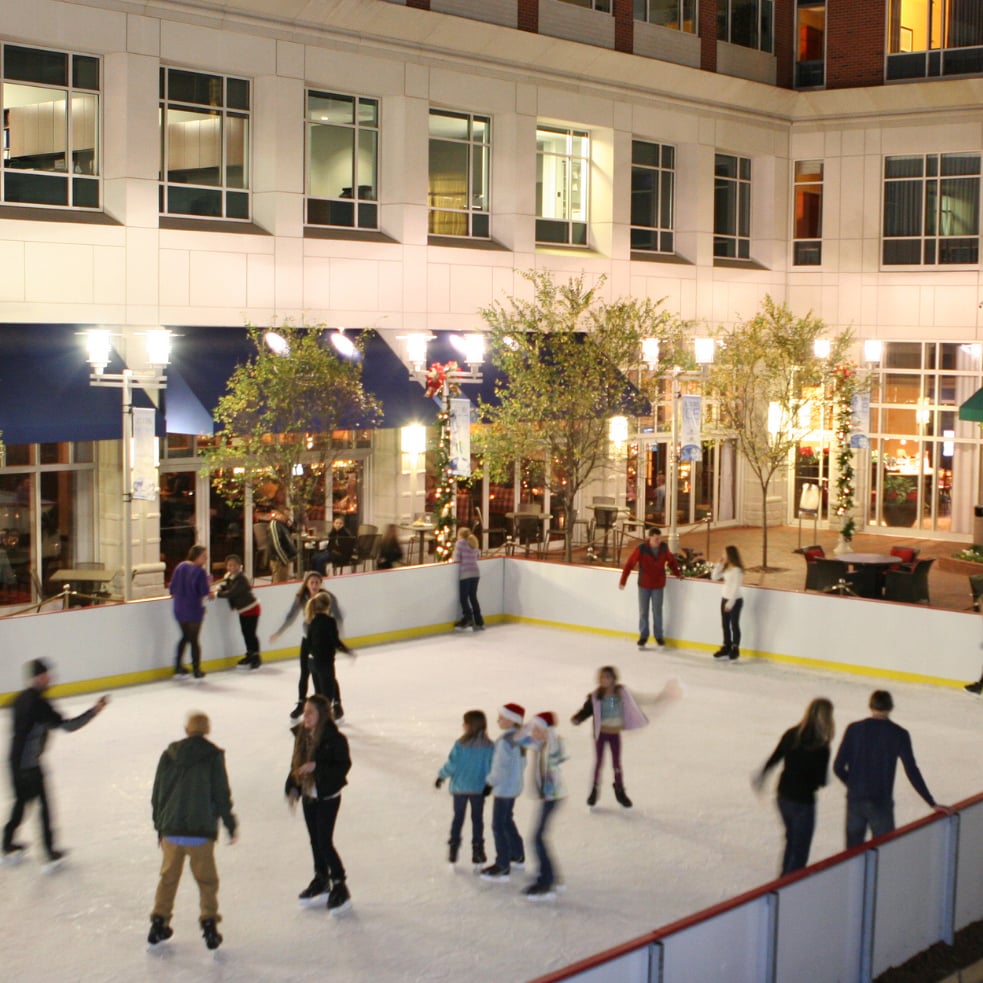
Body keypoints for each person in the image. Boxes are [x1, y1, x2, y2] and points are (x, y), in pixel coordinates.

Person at [3, 659, 108, 864]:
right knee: (43, 806)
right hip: (30, 765)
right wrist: (94, 711)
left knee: (21, 803)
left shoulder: (19, 699)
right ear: (39, 677)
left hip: (14, 761)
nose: (49, 679)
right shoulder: (40, 704)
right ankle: (49, 853)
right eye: (46, 676)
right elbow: (68, 726)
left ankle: (6, 844)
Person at [149, 711, 238, 950]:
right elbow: (221, 795)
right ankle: (209, 926)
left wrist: (160, 827)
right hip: (200, 832)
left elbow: (158, 793)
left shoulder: (168, 755)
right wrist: (230, 824)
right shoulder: (213, 756)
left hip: (171, 830)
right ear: (207, 730)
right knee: (207, 881)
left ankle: (158, 923)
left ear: (186, 729)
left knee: (168, 879)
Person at [832, 690, 950, 848]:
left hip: (856, 800)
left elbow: (838, 767)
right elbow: (911, 770)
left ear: (870, 706)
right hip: (880, 801)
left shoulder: (854, 729)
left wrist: (854, 785)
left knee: (852, 854)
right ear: (891, 707)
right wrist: (931, 802)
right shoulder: (899, 734)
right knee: (885, 849)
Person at [285, 694, 352, 913]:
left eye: (310, 712)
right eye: (305, 712)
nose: (305, 716)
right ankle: (321, 878)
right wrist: (293, 788)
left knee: (324, 841)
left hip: (327, 797)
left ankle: (339, 882)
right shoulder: (302, 735)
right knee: (315, 840)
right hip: (309, 796)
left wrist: (317, 767)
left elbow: (342, 767)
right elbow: (295, 766)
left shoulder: (335, 739)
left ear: (321, 714)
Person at [752, 698, 834, 875]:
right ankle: (790, 885)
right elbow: (820, 780)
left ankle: (783, 881)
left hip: (783, 797)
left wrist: (762, 775)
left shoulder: (792, 734)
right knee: (800, 849)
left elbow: (775, 758)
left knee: (791, 841)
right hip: (803, 802)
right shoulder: (821, 746)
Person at [570, 665, 648, 808]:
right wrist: (578, 718)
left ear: (613, 678)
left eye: (608, 677)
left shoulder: (620, 693)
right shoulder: (596, 696)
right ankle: (594, 789)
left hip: (614, 734)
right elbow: (587, 710)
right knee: (599, 762)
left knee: (616, 763)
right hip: (601, 734)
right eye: (602, 677)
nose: (605, 680)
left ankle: (619, 789)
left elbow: (632, 704)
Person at [270, 571, 342, 719]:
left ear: (321, 583)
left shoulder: (326, 597)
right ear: (306, 584)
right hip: (307, 640)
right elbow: (291, 616)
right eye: (311, 582)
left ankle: (336, 703)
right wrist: (279, 632)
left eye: (317, 582)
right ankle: (301, 702)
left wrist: (335, 637)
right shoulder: (302, 598)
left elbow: (338, 615)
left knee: (328, 674)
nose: (314, 585)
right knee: (305, 673)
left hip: (323, 642)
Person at [519, 711, 568, 900]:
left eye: (537, 730)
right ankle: (551, 876)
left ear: (548, 731)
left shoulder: (553, 745)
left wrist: (547, 730)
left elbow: (557, 748)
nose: (534, 733)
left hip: (553, 797)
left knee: (537, 838)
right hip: (548, 797)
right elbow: (518, 739)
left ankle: (546, 882)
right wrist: (531, 727)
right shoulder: (540, 744)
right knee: (538, 837)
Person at [435, 710, 494, 867]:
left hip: (460, 788)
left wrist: (441, 776)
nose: (463, 725)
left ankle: (454, 847)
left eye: (465, 723)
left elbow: (452, 764)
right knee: (477, 819)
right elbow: (491, 767)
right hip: (478, 789)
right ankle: (478, 850)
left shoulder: (460, 744)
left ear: (470, 725)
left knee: (458, 818)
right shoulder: (489, 746)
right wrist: (489, 784)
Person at [480, 703, 526, 883]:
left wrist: (489, 783)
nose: (498, 720)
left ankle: (502, 864)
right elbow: (522, 764)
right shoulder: (519, 738)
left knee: (498, 825)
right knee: (507, 820)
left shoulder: (505, 741)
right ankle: (517, 854)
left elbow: (499, 767)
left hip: (504, 789)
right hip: (513, 787)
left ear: (512, 720)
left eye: (501, 717)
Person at [618, 527, 682, 649]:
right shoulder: (642, 549)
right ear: (650, 538)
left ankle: (659, 637)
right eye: (656, 539)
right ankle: (643, 636)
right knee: (643, 611)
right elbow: (629, 564)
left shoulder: (663, 548)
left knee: (657, 611)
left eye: (659, 538)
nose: (658, 541)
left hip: (658, 585)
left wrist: (678, 574)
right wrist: (623, 580)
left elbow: (672, 562)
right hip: (644, 585)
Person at [305, 591, 354, 723]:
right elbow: (335, 641)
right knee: (327, 697)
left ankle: (318, 721)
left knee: (319, 694)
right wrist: (347, 650)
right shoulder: (330, 621)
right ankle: (323, 724)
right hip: (324, 663)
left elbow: (308, 643)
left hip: (313, 663)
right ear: (328, 605)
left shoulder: (312, 622)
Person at [169, 544, 212, 679]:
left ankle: (178, 666)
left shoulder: (180, 567)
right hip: (193, 609)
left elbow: (172, 589)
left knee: (185, 637)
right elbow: (203, 592)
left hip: (179, 608)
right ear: (196, 556)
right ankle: (196, 669)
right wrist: (209, 587)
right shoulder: (200, 572)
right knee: (194, 640)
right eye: (204, 556)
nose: (205, 559)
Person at [216, 554, 261, 670]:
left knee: (250, 634)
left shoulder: (241, 579)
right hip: (243, 610)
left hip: (251, 609)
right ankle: (250, 654)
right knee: (246, 633)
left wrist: (218, 594)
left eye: (234, 565)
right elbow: (229, 587)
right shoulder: (231, 577)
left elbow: (232, 593)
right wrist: (221, 588)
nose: (232, 567)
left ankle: (256, 657)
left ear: (240, 566)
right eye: (229, 565)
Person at [710, 545, 744, 661]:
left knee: (734, 624)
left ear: (730, 555)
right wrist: (719, 565)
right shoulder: (726, 567)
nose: (723, 555)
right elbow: (714, 577)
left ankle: (735, 647)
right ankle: (726, 645)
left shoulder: (737, 570)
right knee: (725, 624)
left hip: (735, 600)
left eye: (724, 553)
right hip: (725, 598)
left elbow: (736, 587)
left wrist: (730, 603)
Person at [452, 527, 484, 631]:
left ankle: (468, 618)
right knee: (473, 597)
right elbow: (478, 556)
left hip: (465, 573)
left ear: (460, 535)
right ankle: (479, 621)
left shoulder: (460, 543)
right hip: (475, 573)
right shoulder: (473, 542)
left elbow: (456, 559)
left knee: (463, 598)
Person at [268, 512, 297, 583]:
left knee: (284, 581)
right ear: (279, 514)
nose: (287, 517)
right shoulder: (275, 524)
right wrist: (284, 559)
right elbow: (276, 544)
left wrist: (290, 525)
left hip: (286, 558)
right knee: (279, 582)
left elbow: (294, 531)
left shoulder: (283, 525)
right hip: (279, 559)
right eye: (286, 515)